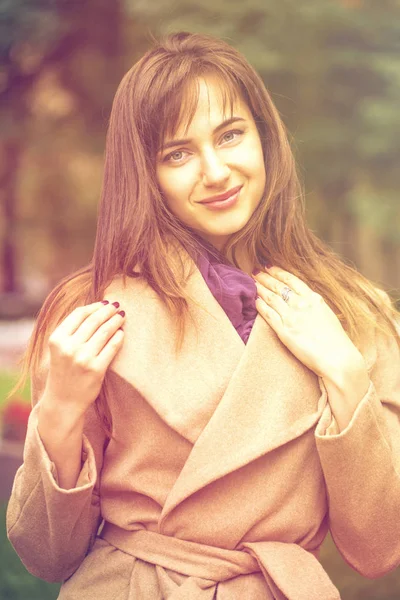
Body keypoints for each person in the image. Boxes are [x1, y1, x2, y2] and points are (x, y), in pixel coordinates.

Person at [6, 31, 400, 600]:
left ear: (265, 139)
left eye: (231, 135)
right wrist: (61, 413)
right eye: (178, 153)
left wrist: (345, 374)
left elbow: (379, 547)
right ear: (146, 175)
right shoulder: (94, 312)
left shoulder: (354, 314)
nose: (215, 171)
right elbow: (45, 554)